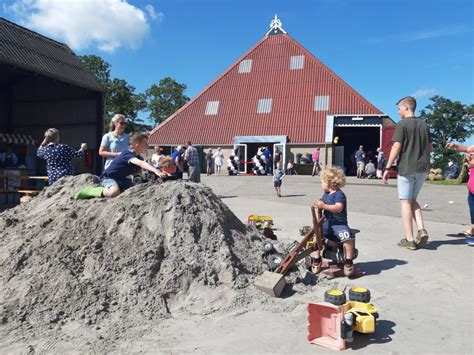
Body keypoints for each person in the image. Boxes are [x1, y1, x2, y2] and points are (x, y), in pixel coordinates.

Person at [383, 96, 432, 250]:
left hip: (406, 168)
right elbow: (430, 148)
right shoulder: (424, 124)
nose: (398, 112)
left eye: (399, 109)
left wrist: (387, 167)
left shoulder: (402, 124)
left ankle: (409, 239)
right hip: (423, 168)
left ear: (406, 108)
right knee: (412, 199)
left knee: (405, 201)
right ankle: (421, 229)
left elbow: (396, 147)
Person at [75, 133, 167, 199]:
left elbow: (145, 166)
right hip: (108, 177)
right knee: (114, 193)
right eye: (146, 144)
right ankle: (90, 191)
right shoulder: (128, 154)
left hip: (123, 180)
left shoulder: (138, 157)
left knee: (135, 191)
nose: (148, 146)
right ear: (138, 145)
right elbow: (141, 164)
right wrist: (156, 171)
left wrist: (160, 171)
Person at [310, 166, 354, 277]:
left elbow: (338, 207)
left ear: (329, 183)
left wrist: (324, 205)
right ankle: (317, 258)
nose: (321, 184)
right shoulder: (325, 194)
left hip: (339, 224)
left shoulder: (339, 194)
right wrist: (320, 204)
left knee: (347, 238)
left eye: (322, 182)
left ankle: (348, 262)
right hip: (327, 223)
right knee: (316, 237)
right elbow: (323, 205)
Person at [445, 143, 474, 244]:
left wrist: (471, 159)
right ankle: (472, 230)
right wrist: (455, 146)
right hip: (472, 188)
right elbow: (467, 149)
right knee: (473, 210)